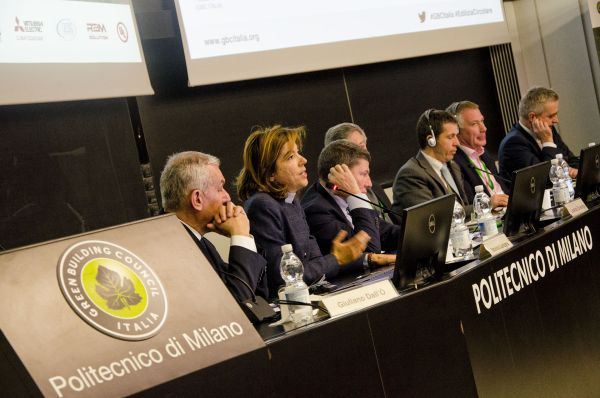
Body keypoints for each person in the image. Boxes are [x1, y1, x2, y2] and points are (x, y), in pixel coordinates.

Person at [236, 125, 369, 298]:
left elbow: (314, 262)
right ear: (270, 173)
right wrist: (336, 259)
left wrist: (365, 259)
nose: (303, 160)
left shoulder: (291, 201)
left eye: (298, 152)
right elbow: (284, 278)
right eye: (291, 156)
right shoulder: (262, 206)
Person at [160, 151, 267, 302]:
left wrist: (244, 238)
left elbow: (258, 297)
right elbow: (238, 306)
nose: (227, 197)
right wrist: (240, 235)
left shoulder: (196, 240)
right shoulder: (174, 250)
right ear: (197, 199)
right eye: (220, 188)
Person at [302, 140, 399, 269]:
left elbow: (385, 233)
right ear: (341, 174)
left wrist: (418, 237)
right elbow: (370, 251)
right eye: (364, 174)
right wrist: (355, 195)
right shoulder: (316, 211)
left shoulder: (342, 197)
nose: (370, 183)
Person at [392, 109, 470, 214]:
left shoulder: (453, 167)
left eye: (456, 136)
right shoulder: (411, 174)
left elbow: (463, 208)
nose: (457, 142)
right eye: (450, 137)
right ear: (431, 140)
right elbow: (433, 217)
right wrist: (482, 206)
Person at [498, 87, 579, 180]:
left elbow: (572, 160)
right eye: (551, 116)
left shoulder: (549, 129)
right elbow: (545, 178)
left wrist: (572, 170)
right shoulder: (513, 144)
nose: (556, 120)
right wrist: (547, 142)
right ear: (532, 117)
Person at [324, 122, 398, 223]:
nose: (364, 153)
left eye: (363, 146)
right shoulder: (331, 203)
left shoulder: (374, 187)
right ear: (336, 155)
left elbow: (391, 226)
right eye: (355, 149)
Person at [446, 101, 509, 207]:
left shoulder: (484, 154)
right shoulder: (454, 162)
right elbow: (468, 205)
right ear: (457, 130)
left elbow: (502, 189)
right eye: (474, 124)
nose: (484, 128)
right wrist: (489, 203)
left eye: (482, 121)